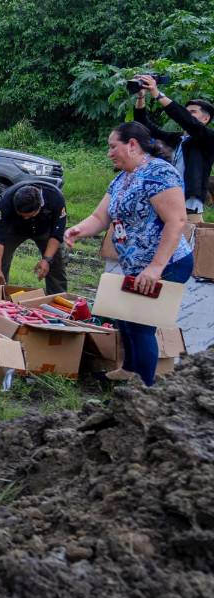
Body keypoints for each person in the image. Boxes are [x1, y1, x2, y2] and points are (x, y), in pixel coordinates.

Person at [63, 122, 194, 386]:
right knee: (124, 318)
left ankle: (145, 389)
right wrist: (78, 230)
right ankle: (129, 370)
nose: (110, 153)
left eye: (114, 146)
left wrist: (156, 267)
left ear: (132, 145)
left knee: (142, 324)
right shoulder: (122, 178)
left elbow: (177, 220)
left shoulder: (159, 173)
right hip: (136, 264)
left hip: (166, 263)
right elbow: (101, 216)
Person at [130, 74, 213, 215]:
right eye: (187, 112)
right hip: (164, 199)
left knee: (186, 236)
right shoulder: (177, 139)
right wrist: (141, 97)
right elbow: (143, 125)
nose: (188, 114)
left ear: (206, 118)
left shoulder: (208, 139)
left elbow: (186, 120)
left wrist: (156, 93)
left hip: (188, 205)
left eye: (193, 112)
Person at [0, 182, 68, 294]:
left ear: (40, 206)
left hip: (44, 229)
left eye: (29, 215)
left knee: (55, 262)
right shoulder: (6, 200)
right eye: (21, 214)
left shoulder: (55, 197)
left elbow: (57, 233)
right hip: (14, 229)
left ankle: (57, 300)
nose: (25, 218)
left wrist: (46, 259)